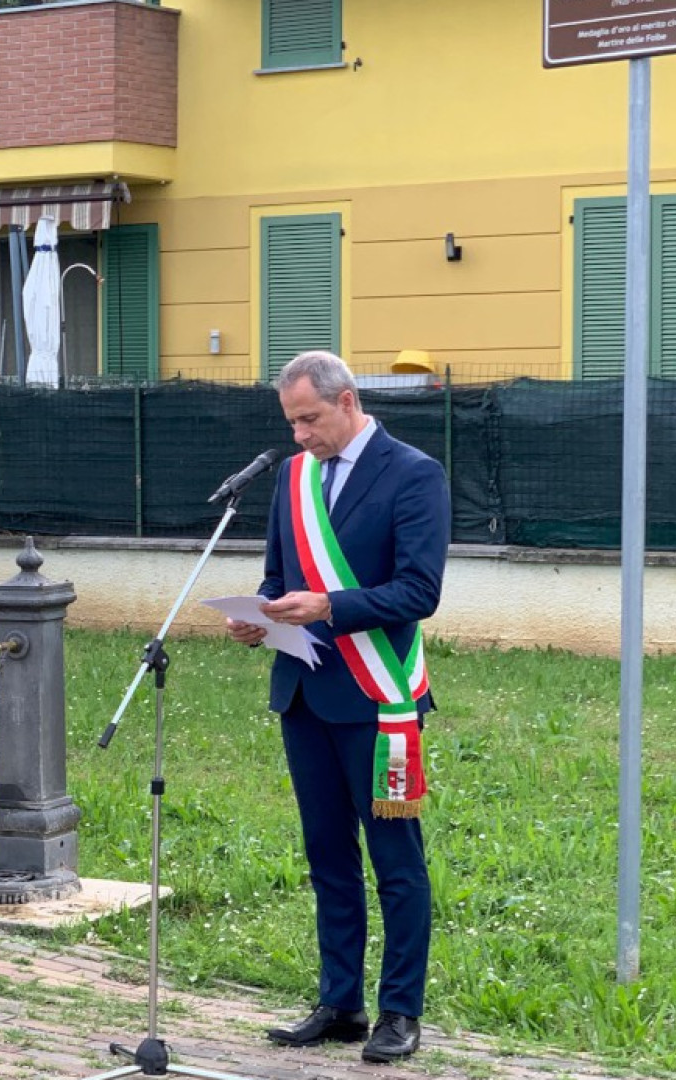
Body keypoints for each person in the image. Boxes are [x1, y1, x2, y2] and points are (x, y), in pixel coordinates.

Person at [225, 350, 449, 1064]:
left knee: (396, 861)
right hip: (306, 694)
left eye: (309, 419)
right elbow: (275, 573)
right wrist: (259, 615)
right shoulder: (292, 479)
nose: (299, 436)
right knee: (327, 857)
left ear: (347, 401)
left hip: (379, 701)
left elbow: (420, 591)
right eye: (291, 422)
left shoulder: (414, 474)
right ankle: (340, 1000)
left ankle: (399, 1011)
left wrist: (330, 604)